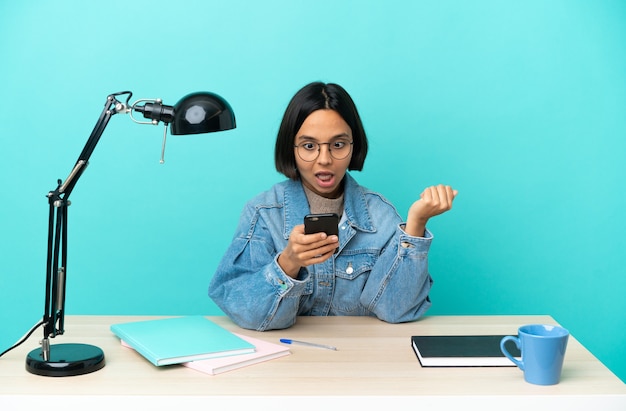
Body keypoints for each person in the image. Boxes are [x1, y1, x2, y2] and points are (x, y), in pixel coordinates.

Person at [209, 82, 457, 331]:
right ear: (291, 148)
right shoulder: (263, 213)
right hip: (284, 361)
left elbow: (395, 310)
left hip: (357, 360)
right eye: (309, 146)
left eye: (338, 145)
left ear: (354, 146)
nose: (325, 160)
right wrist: (289, 262)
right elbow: (243, 309)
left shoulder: (380, 216)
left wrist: (416, 225)